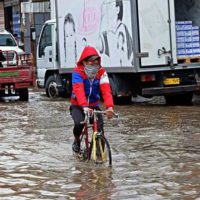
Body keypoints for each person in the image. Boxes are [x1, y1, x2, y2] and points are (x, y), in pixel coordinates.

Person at [70, 46, 114, 153]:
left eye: (96, 61)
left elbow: (106, 90)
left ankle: (98, 153)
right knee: (79, 124)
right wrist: (84, 106)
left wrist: (109, 107)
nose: (94, 64)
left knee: (99, 128)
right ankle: (76, 140)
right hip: (78, 105)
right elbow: (78, 89)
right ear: (84, 61)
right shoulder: (77, 73)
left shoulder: (101, 72)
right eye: (90, 61)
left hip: (94, 105)